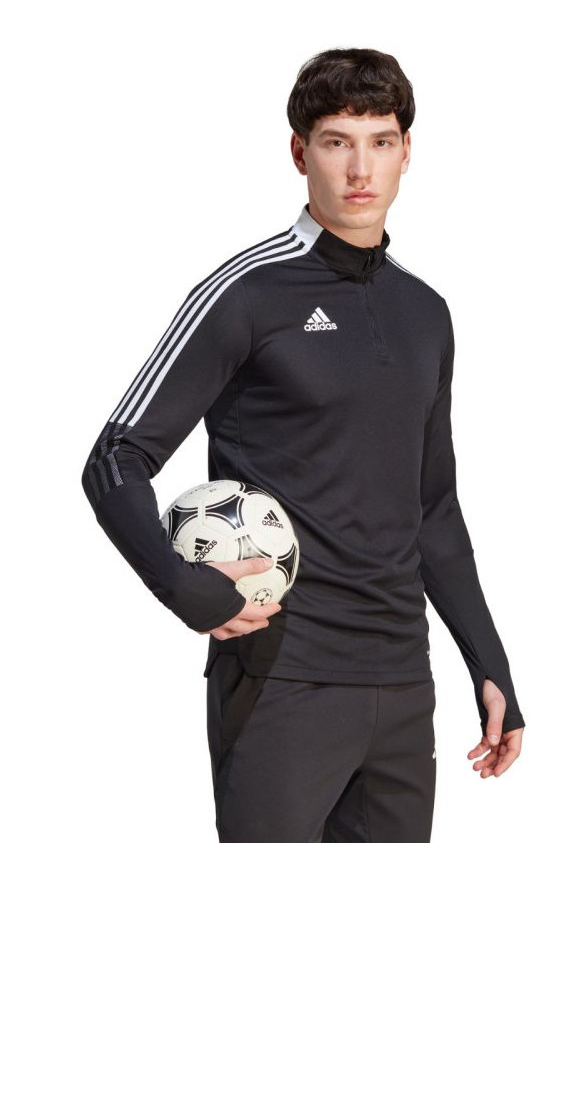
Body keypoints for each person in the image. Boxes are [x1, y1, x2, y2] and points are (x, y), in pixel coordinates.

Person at [81, 47, 525, 842]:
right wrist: (178, 585)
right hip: (282, 675)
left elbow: (433, 510)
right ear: (299, 152)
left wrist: (488, 664)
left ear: (406, 151)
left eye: (380, 142)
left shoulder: (426, 313)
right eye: (336, 141)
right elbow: (116, 457)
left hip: (401, 682)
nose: (360, 168)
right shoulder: (247, 292)